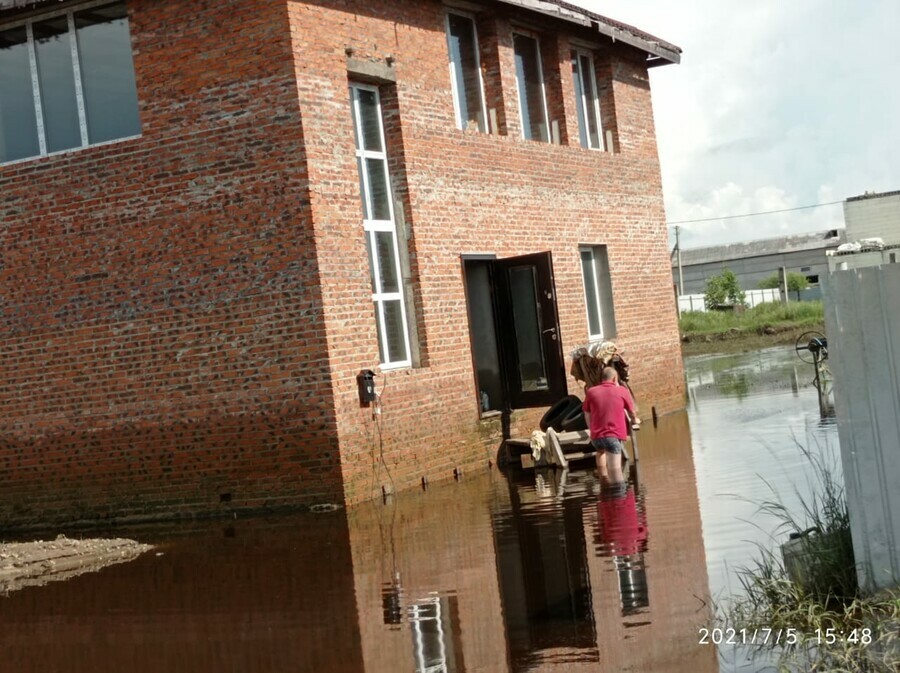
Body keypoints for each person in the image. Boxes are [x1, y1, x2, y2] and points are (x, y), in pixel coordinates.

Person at [582, 366, 638, 483]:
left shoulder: (591, 391)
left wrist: (591, 429)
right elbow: (632, 411)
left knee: (601, 452)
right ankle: (616, 494)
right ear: (614, 379)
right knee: (615, 471)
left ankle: (603, 482)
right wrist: (634, 420)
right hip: (612, 436)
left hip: (596, 437)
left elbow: (586, 412)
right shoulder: (622, 391)